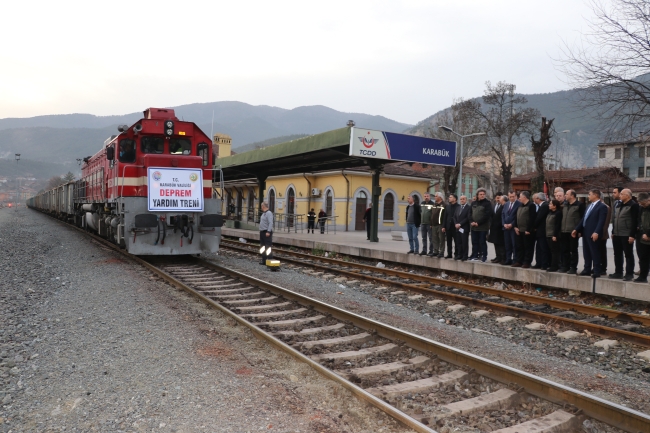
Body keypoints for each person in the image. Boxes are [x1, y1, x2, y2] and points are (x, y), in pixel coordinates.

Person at [572, 189, 608, 278]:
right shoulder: (589, 206)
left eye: (589, 194)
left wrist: (596, 232)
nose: (588, 196)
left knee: (595, 252)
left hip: (594, 232)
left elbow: (601, 221)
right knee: (586, 252)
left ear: (595, 195)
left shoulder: (602, 206)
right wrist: (576, 229)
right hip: (586, 231)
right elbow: (584, 219)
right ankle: (587, 269)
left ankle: (597, 270)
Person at [610, 188, 639, 281]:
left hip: (626, 234)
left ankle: (629, 273)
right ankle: (618, 272)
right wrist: (613, 231)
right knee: (617, 254)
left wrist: (632, 235)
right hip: (617, 234)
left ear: (627, 195)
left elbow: (635, 221)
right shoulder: (619, 205)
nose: (620, 195)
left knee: (628, 254)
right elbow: (615, 219)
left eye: (622, 194)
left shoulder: (633, 205)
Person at [560, 190, 584, 274]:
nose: (565, 195)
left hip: (573, 231)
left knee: (573, 250)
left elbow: (582, 218)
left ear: (572, 196)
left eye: (566, 194)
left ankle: (573, 267)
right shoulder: (565, 205)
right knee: (564, 249)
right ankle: (565, 266)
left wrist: (579, 230)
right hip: (564, 230)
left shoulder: (579, 205)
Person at [513, 191, 536, 268]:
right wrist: (515, 226)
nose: (519, 198)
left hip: (527, 231)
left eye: (520, 197)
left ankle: (527, 262)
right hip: (519, 230)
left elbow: (532, 218)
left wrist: (528, 229)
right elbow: (517, 217)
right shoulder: (520, 206)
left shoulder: (531, 205)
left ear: (525, 197)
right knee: (519, 246)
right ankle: (519, 261)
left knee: (528, 247)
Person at [469, 188, 492, 262]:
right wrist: (472, 221)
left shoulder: (487, 203)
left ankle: (484, 256)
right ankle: (475, 255)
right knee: (474, 242)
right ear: (477, 195)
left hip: (482, 227)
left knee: (482, 242)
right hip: (473, 227)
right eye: (480, 194)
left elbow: (487, 215)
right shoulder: (473, 203)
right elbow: (469, 214)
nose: (482, 196)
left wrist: (478, 222)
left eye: (483, 194)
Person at [502, 191, 521, 265]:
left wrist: (512, 224)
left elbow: (517, 216)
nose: (512, 198)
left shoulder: (519, 204)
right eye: (510, 197)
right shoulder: (506, 204)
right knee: (507, 244)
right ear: (508, 196)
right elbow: (503, 214)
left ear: (516, 196)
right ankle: (508, 259)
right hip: (506, 228)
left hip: (513, 228)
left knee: (514, 244)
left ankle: (515, 259)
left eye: (513, 196)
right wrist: (504, 224)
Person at [635, 192, 650, 283]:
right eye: (640, 203)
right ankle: (643, 276)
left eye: (643, 203)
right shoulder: (641, 209)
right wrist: (642, 232)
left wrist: (648, 234)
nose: (642, 205)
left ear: (648, 200)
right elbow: (639, 221)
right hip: (642, 237)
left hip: (647, 235)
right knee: (643, 258)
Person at [532, 192, 550, 269]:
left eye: (535, 198)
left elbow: (539, 218)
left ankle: (544, 264)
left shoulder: (544, 206)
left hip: (542, 231)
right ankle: (538, 263)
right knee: (538, 248)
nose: (534, 200)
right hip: (539, 231)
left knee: (543, 248)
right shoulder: (541, 206)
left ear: (539, 199)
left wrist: (533, 226)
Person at [546, 199, 563, 272]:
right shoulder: (550, 213)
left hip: (553, 235)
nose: (549, 205)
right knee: (550, 250)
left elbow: (557, 225)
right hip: (548, 234)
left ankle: (555, 266)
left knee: (555, 251)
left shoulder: (558, 213)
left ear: (555, 206)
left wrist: (555, 235)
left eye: (550, 204)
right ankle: (551, 264)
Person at [489, 193, 506, 264]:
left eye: (499, 198)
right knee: (495, 243)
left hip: (500, 228)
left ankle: (503, 257)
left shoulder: (504, 206)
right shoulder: (493, 206)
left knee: (501, 244)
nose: (498, 199)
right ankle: (498, 256)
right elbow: (491, 216)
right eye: (497, 198)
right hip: (493, 228)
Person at [453, 195, 471, 261]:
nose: (462, 200)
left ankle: (465, 255)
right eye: (461, 199)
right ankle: (459, 255)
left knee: (464, 242)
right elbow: (454, 216)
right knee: (458, 242)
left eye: (463, 199)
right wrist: (455, 224)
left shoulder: (468, 207)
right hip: (457, 228)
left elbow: (467, 218)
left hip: (464, 228)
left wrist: (460, 224)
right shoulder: (458, 207)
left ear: (466, 200)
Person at [599, 197, 612, 275]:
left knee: (602, 251)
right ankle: (598, 267)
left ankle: (603, 268)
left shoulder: (605, 207)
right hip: (598, 233)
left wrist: (601, 233)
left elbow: (606, 222)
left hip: (602, 234)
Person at [430, 192, 446, 257]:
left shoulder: (444, 205)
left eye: (436, 196)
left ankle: (441, 252)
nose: (435, 197)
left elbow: (445, 216)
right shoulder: (434, 204)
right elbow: (432, 214)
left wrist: (444, 225)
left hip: (440, 224)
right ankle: (435, 251)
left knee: (441, 239)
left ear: (440, 197)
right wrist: (431, 223)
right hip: (434, 224)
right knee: (434, 238)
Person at [444, 194, 459, 259]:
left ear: (455, 199)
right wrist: (443, 226)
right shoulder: (448, 207)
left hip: (455, 227)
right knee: (449, 241)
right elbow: (445, 217)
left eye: (450, 197)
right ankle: (449, 254)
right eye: (449, 197)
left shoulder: (459, 206)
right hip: (448, 226)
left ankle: (456, 254)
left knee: (457, 241)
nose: (449, 198)